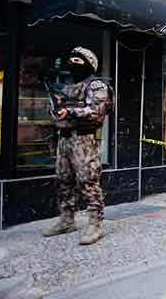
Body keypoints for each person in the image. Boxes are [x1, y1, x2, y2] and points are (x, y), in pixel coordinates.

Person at [42, 47, 113, 245]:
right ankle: (67, 220)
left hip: (84, 140)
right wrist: (57, 108)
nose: (72, 63)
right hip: (64, 140)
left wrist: (70, 112)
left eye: (78, 60)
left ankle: (96, 225)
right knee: (63, 180)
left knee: (88, 182)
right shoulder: (69, 86)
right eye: (71, 59)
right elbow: (59, 111)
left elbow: (97, 112)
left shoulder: (96, 85)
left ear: (89, 64)